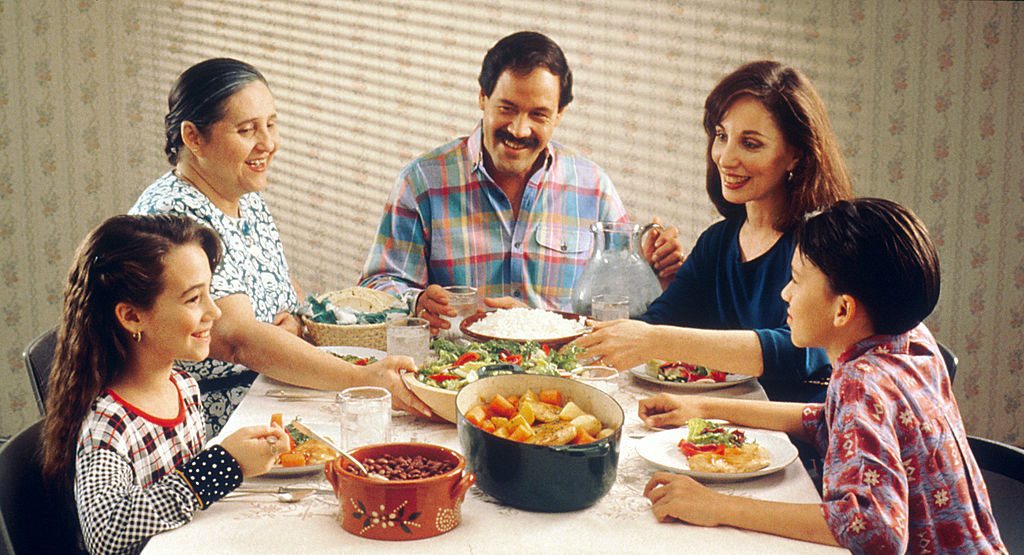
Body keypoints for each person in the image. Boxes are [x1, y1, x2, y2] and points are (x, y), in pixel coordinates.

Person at [639, 199, 1006, 553]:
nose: (785, 293)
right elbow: (830, 419)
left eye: (796, 280)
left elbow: (872, 529)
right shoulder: (911, 339)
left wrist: (714, 506)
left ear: (843, 309)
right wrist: (703, 406)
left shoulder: (861, 382)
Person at [130, 58, 429, 435]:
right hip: (208, 422)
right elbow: (238, 340)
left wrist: (298, 322)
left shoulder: (242, 194)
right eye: (247, 129)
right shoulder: (174, 219)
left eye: (271, 124)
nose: (269, 143)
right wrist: (362, 377)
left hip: (269, 392)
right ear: (193, 138)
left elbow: (284, 292)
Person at [358, 31, 684, 332]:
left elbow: (621, 309)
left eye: (538, 115)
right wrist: (415, 303)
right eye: (507, 108)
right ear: (483, 98)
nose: (518, 129)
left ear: (559, 115)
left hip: (563, 379)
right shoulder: (422, 183)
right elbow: (377, 287)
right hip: (454, 375)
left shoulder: (593, 187)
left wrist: (655, 275)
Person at [575, 60, 853, 402]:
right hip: (719, 430)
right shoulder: (718, 242)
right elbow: (658, 321)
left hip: (801, 440)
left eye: (750, 143)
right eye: (721, 136)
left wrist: (657, 339)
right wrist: (544, 327)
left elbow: (800, 349)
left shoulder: (822, 246)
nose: (725, 157)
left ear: (795, 155)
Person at [40, 215, 293, 554]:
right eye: (193, 299)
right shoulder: (109, 424)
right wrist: (223, 465)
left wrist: (240, 460)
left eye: (210, 293)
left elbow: (185, 501)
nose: (215, 312)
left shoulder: (183, 387)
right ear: (131, 316)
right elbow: (105, 531)